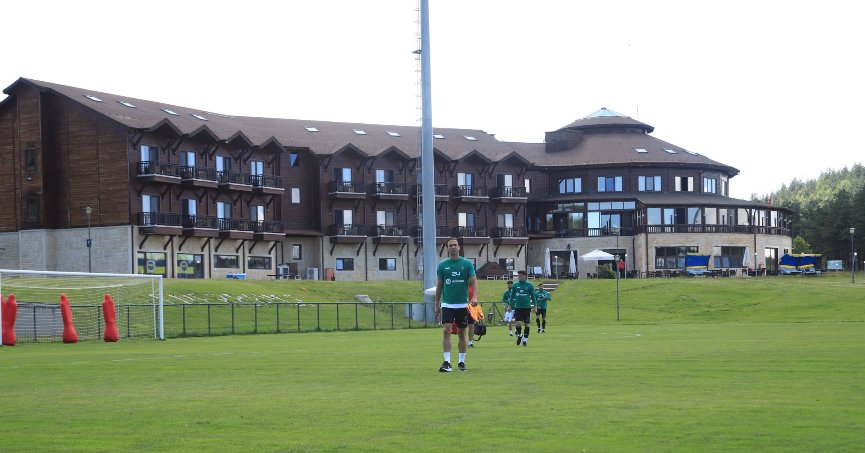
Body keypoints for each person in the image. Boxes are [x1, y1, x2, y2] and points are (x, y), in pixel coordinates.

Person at [435, 238, 478, 372]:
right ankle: (447, 362)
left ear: (459, 247)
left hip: (462, 305)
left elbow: (474, 282)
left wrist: (475, 297)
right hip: (447, 304)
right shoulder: (442, 265)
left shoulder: (467, 263)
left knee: (461, 332)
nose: (453, 247)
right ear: (447, 248)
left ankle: (461, 362)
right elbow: (439, 285)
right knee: (446, 330)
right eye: (450, 245)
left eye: (455, 245)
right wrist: (437, 304)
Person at [508, 270, 536, 347]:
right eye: (518, 276)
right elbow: (512, 296)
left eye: (520, 276)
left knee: (527, 325)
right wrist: (509, 305)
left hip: (527, 308)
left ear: (524, 276)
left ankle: (525, 340)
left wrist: (535, 306)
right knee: (518, 324)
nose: (518, 277)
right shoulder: (515, 285)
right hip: (518, 308)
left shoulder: (530, 285)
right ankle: (520, 335)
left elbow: (533, 297)